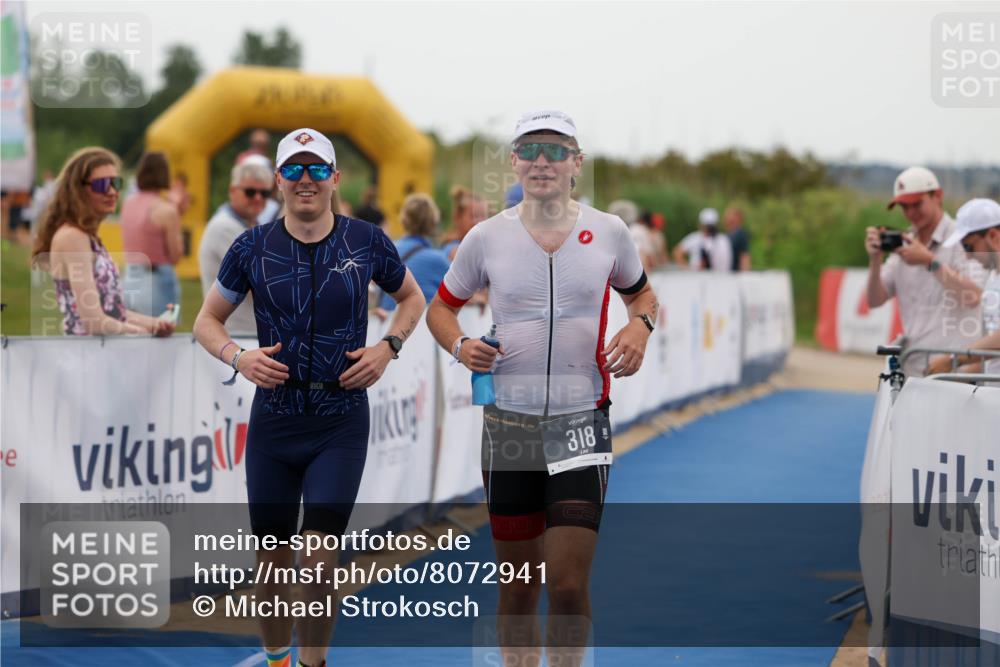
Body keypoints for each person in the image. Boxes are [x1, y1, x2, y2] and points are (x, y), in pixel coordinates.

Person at [426, 110, 658, 667]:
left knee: (569, 584)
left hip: (581, 420)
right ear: (514, 161)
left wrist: (639, 328)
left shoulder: (610, 232)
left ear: (578, 164)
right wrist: (460, 347)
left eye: (557, 150)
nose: (542, 161)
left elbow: (644, 299)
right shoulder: (486, 237)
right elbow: (440, 310)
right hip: (509, 426)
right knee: (519, 587)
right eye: (530, 149)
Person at [193, 128, 425, 667]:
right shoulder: (250, 247)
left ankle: (311, 664)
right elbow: (206, 320)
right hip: (274, 420)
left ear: (335, 179)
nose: (305, 180)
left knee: (319, 560)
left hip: (340, 418)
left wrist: (388, 347)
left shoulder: (366, 240)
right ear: (277, 180)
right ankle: (276, 659)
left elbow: (411, 298)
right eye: (294, 169)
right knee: (272, 565)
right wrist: (238, 357)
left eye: (317, 169)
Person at [30, 147, 175, 337]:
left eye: (115, 183)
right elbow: (93, 322)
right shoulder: (72, 237)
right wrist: (142, 334)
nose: (112, 191)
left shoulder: (86, 237)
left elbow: (114, 313)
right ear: (78, 191)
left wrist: (155, 323)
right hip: (86, 359)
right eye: (101, 185)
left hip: (101, 356)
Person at [865, 166, 984, 376]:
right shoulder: (904, 244)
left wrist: (929, 261)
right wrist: (875, 260)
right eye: (904, 206)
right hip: (914, 368)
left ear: (937, 196)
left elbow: (974, 296)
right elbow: (874, 300)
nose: (911, 213)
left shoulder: (962, 238)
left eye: (917, 204)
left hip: (956, 371)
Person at [198, 160, 275, 336]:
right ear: (233, 191)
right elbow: (262, 282)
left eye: (264, 193)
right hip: (236, 335)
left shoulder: (249, 226)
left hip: (246, 333)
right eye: (250, 192)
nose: (258, 198)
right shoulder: (225, 228)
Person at [927, 198, 1000, 377]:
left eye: (969, 246)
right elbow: (993, 355)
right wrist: (959, 380)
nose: (967, 256)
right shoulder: (993, 277)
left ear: (993, 236)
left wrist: (953, 360)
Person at [120, 152, 184, 317]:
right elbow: (176, 254)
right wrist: (176, 210)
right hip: (156, 278)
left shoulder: (128, 203)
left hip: (129, 275)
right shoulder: (166, 210)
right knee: (162, 334)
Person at [378, 193, 451, 311]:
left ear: (404, 219)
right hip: (422, 324)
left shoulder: (386, 251)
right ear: (433, 221)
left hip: (389, 324)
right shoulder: (439, 260)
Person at [674, 208, 733, 272]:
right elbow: (677, 252)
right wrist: (688, 269)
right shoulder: (696, 238)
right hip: (702, 277)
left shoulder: (723, 240)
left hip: (718, 277)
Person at [441, 185, 488, 260]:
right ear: (458, 217)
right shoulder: (454, 250)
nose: (480, 221)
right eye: (474, 216)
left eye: (483, 215)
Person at [724, 205, 751, 271]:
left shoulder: (740, 235)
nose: (728, 218)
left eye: (731, 215)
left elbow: (744, 256)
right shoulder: (728, 235)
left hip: (735, 274)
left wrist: (745, 274)